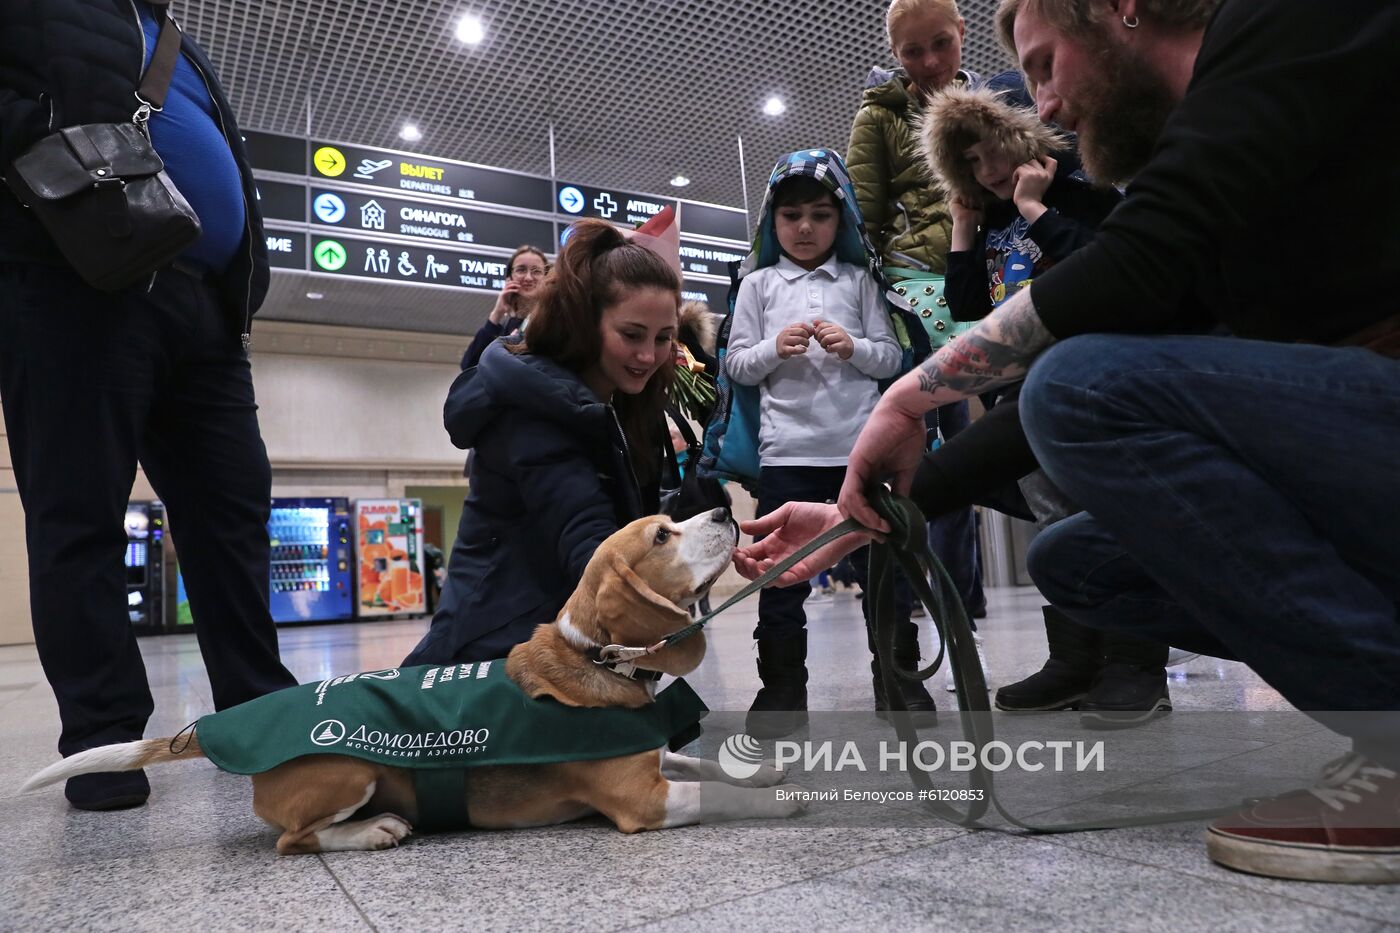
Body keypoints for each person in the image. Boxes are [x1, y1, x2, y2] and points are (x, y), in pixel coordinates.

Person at [737, 0, 1400, 885]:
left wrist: (907, 395)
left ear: (1120, 9)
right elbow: (1116, 329)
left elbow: (1131, 270)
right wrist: (877, 511)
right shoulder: (1212, 186)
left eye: (1045, 65)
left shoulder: (1290, 23)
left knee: (1074, 384)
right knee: (1083, 563)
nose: (1042, 105)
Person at [0, 0, 296, 811]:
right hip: (74, 283)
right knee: (78, 515)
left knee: (233, 513)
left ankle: (261, 713)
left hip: (206, 304)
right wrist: (38, 140)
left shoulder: (176, 36)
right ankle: (104, 741)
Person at [924, 82, 1170, 723]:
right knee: (1055, 519)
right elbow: (967, 306)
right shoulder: (994, 215)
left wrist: (1036, 207)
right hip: (1021, 392)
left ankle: (1138, 665)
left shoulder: (1082, 193)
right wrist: (963, 222)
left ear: (1025, 136)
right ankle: (1076, 663)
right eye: (971, 162)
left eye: (993, 151)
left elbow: (1103, 266)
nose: (988, 170)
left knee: (1108, 514)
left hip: (1090, 383)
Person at [404, 213, 681, 665]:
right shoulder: (535, 409)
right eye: (631, 335)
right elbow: (584, 534)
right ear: (586, 322)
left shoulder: (617, 402)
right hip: (495, 657)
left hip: (555, 639)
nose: (648, 355)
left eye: (664, 337)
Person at [725, 162, 910, 738]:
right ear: (771, 221)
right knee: (778, 581)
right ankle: (782, 692)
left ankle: (899, 683)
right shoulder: (755, 284)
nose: (805, 227)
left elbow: (892, 358)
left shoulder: (858, 282)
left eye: (820, 215)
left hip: (859, 454)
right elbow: (735, 366)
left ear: (841, 220)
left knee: (883, 576)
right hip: (784, 458)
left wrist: (853, 346)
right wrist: (773, 350)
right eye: (791, 215)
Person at [848, 0, 988, 645]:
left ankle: (961, 605)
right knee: (907, 453)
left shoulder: (991, 107)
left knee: (959, 457)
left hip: (982, 296)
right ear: (895, 54)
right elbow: (861, 220)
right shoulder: (877, 116)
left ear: (963, 36)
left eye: (941, 45)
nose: (930, 63)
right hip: (910, 308)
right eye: (912, 52)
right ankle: (899, 609)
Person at [460, 245, 549, 370]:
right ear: (509, 278)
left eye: (536, 271)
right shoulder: (505, 327)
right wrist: (497, 314)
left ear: (546, 278)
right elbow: (468, 365)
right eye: (521, 270)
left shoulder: (554, 321)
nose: (528, 277)